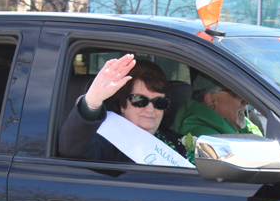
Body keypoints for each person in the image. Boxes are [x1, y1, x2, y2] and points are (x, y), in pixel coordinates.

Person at [59, 54, 194, 167]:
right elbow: (72, 148)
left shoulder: (173, 140)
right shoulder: (107, 143)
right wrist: (92, 100)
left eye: (160, 102)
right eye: (140, 100)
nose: (150, 109)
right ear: (122, 105)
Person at [171, 86, 263, 137]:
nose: (246, 101)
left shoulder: (247, 125)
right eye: (237, 93)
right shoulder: (206, 137)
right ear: (211, 101)